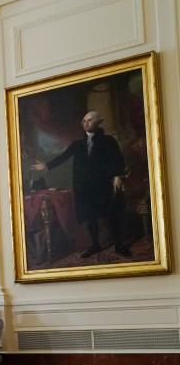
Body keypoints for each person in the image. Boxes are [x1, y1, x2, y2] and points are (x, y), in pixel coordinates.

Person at [31, 110, 130, 257]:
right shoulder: (77, 144)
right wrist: (46, 166)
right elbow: (63, 157)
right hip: (84, 187)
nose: (86, 123)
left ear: (98, 122)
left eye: (90, 120)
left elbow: (117, 159)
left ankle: (119, 245)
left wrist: (117, 175)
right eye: (84, 121)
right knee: (90, 217)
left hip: (104, 184)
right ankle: (95, 245)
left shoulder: (109, 141)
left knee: (111, 214)